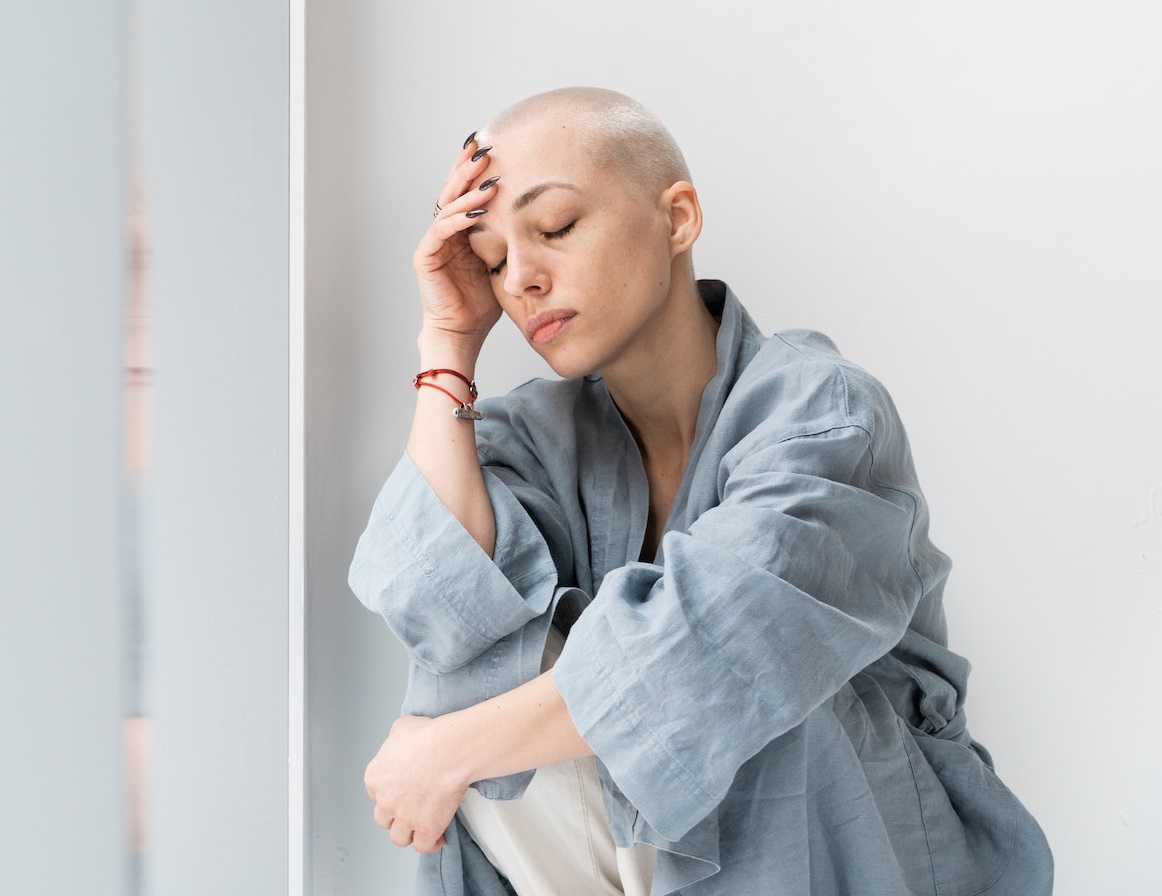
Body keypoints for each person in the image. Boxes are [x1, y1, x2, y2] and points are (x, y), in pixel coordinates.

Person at [349, 86, 1054, 895]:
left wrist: (447, 753)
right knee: (483, 653)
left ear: (678, 218)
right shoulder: (537, 436)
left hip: (849, 855)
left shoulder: (825, 412)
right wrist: (448, 340)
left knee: (749, 688)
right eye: (496, 260)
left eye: (555, 228)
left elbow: (714, 649)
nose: (523, 280)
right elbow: (437, 608)